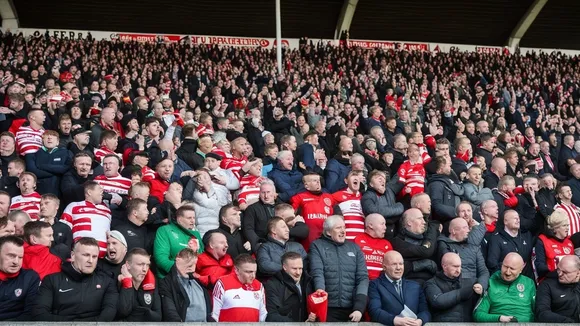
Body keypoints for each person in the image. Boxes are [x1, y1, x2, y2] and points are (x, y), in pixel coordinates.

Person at [32, 237, 119, 321]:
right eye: (86, 255)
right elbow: (40, 313)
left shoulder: (107, 282)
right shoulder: (51, 280)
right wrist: (74, 324)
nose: (90, 261)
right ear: (73, 256)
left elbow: (108, 315)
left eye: (94, 256)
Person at [309, 215, 369, 322]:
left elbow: (363, 278)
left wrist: (359, 308)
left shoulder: (354, 248)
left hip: (352, 309)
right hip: (328, 308)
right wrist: (320, 292)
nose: (343, 231)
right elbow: (317, 272)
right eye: (338, 228)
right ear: (328, 232)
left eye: (344, 227)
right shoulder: (317, 246)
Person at [368, 250, 431, 326]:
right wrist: (395, 320)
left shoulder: (416, 286)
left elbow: (425, 312)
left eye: (401, 264)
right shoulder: (375, 285)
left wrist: (420, 321)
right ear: (384, 267)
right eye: (394, 264)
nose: (398, 268)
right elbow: (374, 311)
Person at [474, 252, 536, 322]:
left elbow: (538, 311)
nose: (508, 272)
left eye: (512, 269)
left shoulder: (529, 283)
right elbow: (478, 314)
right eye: (505, 267)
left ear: (521, 269)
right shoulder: (491, 282)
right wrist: (499, 318)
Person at [158, 248, 213, 322]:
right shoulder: (166, 283)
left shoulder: (199, 282)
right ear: (178, 261)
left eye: (194, 265)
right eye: (189, 265)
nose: (192, 269)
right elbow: (170, 312)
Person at [437, 218, 489, 292]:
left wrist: (481, 285)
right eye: (464, 228)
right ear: (453, 231)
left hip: (475, 287)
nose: (468, 230)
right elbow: (449, 271)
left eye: (468, 227)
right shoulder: (444, 245)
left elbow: (483, 271)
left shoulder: (473, 247)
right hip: (454, 289)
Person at [61, 181, 111, 257]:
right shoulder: (73, 206)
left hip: (103, 258)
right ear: (89, 192)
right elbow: (64, 229)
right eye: (99, 189)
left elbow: (108, 233)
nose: (102, 192)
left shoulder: (107, 210)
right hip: (80, 255)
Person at [212, 254, 268, 322]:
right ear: (236, 270)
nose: (253, 276)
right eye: (249, 272)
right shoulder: (223, 283)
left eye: (254, 272)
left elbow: (263, 315)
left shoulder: (259, 286)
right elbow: (214, 315)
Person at [424, 253, 477, 322]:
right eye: (455, 266)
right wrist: (461, 293)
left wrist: (481, 287)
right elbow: (438, 302)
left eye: (460, 266)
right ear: (444, 266)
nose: (458, 270)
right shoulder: (431, 283)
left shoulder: (469, 281)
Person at [265, 251, 316, 322]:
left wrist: (313, 318)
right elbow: (271, 315)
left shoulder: (308, 282)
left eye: (300, 268)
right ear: (284, 267)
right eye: (294, 269)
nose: (298, 273)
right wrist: (295, 324)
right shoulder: (273, 284)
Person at [153, 205, 203, 278]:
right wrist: (180, 271)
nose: (192, 221)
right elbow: (161, 259)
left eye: (194, 218)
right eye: (189, 218)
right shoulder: (165, 230)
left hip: (193, 277)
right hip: (170, 278)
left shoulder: (196, 234)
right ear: (179, 219)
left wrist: (195, 252)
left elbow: (202, 257)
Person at [391, 208, 439, 284]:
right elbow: (425, 252)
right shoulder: (398, 242)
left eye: (423, 219)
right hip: (409, 284)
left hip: (433, 285)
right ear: (409, 222)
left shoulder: (430, 239)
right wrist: (424, 264)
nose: (424, 222)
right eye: (420, 219)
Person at [290, 172, 335, 250]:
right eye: (314, 180)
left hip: (328, 238)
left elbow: (338, 215)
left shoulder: (329, 197)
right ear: (306, 185)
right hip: (308, 240)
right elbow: (290, 215)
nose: (318, 182)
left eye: (318, 180)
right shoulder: (299, 198)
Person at [0, 235, 40, 320]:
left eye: (20, 257)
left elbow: (30, 313)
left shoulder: (30, 278)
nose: (16, 262)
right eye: (11, 256)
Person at [116, 248, 162, 322]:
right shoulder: (117, 281)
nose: (145, 269)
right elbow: (123, 312)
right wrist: (127, 282)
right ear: (128, 265)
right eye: (140, 264)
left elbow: (158, 317)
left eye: (147, 265)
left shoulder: (152, 283)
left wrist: (144, 312)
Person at [486, 210, 534, 278]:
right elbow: (492, 264)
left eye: (518, 218)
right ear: (505, 221)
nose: (518, 220)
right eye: (515, 218)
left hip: (525, 280)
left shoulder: (527, 236)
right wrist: (511, 268)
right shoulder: (496, 239)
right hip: (504, 279)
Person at [535, 255, 580, 322]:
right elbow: (542, 313)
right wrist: (569, 322)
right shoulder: (547, 285)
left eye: (565, 272)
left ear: (578, 273)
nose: (560, 274)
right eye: (558, 269)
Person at [534, 210, 574, 282]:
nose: (567, 228)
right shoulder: (542, 240)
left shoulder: (569, 242)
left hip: (568, 282)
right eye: (564, 225)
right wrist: (557, 272)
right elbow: (540, 266)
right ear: (556, 228)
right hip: (550, 281)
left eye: (568, 225)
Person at [362, 170, 403, 238]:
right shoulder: (367, 196)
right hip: (376, 233)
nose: (382, 180)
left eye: (383, 178)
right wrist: (398, 208)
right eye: (378, 178)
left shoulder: (389, 190)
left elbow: (401, 177)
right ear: (371, 184)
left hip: (395, 230)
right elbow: (373, 211)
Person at [354, 213, 393, 280]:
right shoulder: (358, 240)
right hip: (361, 281)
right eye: (382, 224)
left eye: (385, 224)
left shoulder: (387, 244)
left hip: (380, 283)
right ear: (371, 225)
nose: (385, 228)